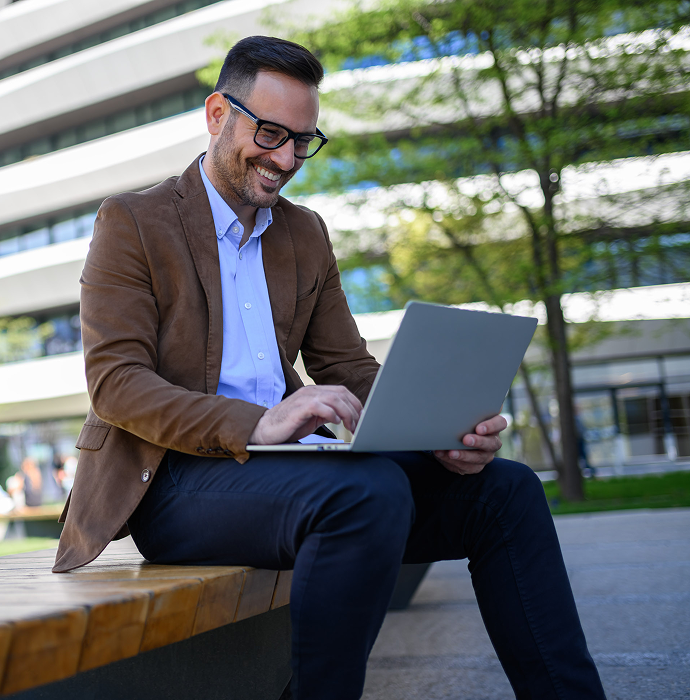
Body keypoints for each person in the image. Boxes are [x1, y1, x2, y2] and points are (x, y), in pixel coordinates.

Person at [53, 36, 605, 700]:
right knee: (363, 493)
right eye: (271, 133)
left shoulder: (303, 233)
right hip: (176, 483)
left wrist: (440, 427)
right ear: (215, 115)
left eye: (303, 141)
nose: (286, 158)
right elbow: (116, 384)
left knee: (506, 493)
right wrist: (262, 421)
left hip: (297, 475)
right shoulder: (133, 222)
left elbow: (345, 364)